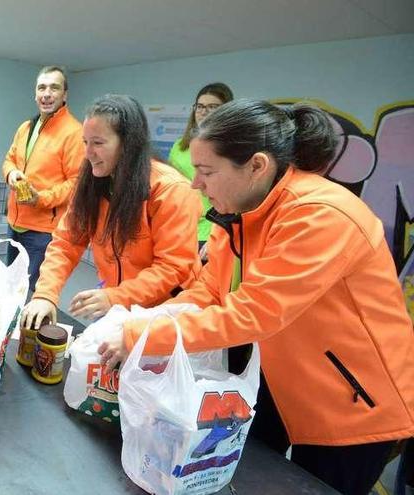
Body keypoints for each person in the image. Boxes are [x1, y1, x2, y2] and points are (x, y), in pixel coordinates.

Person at [99, 100, 414, 495]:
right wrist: (147, 322)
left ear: (257, 166)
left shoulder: (320, 215)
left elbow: (252, 314)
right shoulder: (238, 214)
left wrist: (142, 337)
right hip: (278, 382)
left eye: (206, 171)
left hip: (351, 402)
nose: (196, 184)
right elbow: (208, 292)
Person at [20, 94, 202, 329]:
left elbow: (173, 267)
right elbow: (66, 242)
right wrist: (45, 294)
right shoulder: (92, 182)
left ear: (128, 144)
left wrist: (115, 297)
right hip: (115, 301)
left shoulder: (169, 190)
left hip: (165, 311)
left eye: (98, 143)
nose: (88, 153)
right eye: (85, 142)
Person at [2, 66, 84, 292]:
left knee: (34, 293)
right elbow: (9, 159)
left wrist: (41, 199)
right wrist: (11, 174)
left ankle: (30, 328)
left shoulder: (74, 133)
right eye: (42, 88)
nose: (47, 93)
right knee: (12, 288)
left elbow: (76, 183)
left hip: (43, 232)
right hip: (14, 224)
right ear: (35, 93)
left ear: (64, 94)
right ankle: (12, 327)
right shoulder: (26, 127)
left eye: (54, 88)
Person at [168, 82, 234, 252]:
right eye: (200, 106)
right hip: (178, 226)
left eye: (212, 107)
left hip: (210, 229)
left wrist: (221, 234)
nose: (204, 111)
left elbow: (234, 196)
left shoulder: (231, 148)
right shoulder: (179, 146)